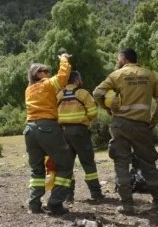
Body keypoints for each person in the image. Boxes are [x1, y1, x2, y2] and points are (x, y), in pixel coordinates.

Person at [92, 48, 158, 215]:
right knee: (148, 163)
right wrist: (153, 121)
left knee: (121, 163)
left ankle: (127, 205)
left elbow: (97, 93)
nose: (117, 60)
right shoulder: (150, 75)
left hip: (120, 125)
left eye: (118, 58)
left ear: (124, 59)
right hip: (142, 126)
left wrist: (107, 108)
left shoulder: (117, 75)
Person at [23, 53, 73, 215]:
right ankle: (55, 203)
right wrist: (63, 59)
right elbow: (63, 76)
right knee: (65, 165)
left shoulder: (29, 89)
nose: (47, 73)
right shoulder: (47, 84)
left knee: (37, 170)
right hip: (48, 127)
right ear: (37, 74)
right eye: (44, 70)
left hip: (30, 129)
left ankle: (34, 205)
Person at [56, 71, 104, 202]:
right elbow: (93, 112)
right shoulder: (83, 93)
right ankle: (95, 193)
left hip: (63, 132)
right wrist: (86, 120)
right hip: (79, 131)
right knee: (88, 162)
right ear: (77, 80)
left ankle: (68, 195)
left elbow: (53, 113)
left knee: (66, 164)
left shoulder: (59, 95)